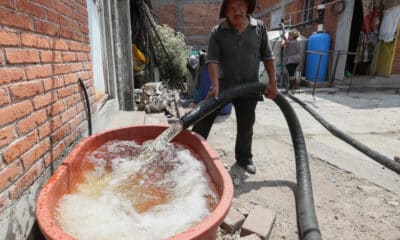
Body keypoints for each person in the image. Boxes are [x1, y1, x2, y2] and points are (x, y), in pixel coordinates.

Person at [192, 0, 278, 174]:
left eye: (240, 6)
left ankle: (244, 158)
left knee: (246, 126)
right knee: (204, 116)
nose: (236, 10)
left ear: (247, 7)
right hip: (224, 86)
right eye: (232, 7)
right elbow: (213, 61)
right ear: (226, 11)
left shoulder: (259, 28)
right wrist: (214, 85)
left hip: (250, 87)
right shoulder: (218, 32)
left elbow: (268, 57)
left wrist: (273, 83)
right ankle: (193, 154)